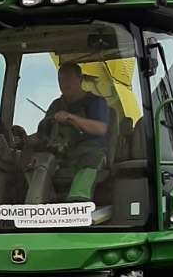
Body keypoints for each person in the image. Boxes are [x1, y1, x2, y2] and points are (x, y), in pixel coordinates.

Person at [28, 61, 111, 202]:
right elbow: (43, 133)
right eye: (61, 79)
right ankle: (37, 202)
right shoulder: (56, 105)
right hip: (60, 154)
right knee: (34, 161)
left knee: (92, 158)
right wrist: (25, 140)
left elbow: (101, 129)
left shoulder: (95, 102)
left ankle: (78, 202)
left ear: (80, 79)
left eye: (68, 78)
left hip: (88, 154)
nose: (64, 83)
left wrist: (71, 118)